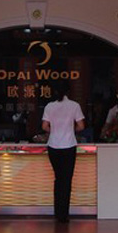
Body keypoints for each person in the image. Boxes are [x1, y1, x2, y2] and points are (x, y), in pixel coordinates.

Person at [42, 81, 85, 223]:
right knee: (66, 180)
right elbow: (81, 126)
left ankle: (57, 212)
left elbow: (44, 126)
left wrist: (55, 130)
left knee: (58, 179)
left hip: (53, 145)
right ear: (68, 92)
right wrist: (70, 130)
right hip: (69, 145)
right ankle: (63, 214)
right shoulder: (74, 106)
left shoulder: (49, 106)